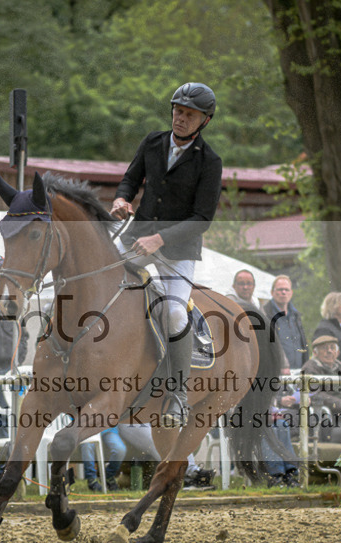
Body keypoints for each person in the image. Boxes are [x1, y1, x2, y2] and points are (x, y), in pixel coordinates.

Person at [111, 82, 223, 427]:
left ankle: (178, 393)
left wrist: (160, 239)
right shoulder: (153, 142)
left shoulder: (210, 162)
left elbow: (202, 219)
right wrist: (121, 199)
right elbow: (131, 179)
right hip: (137, 236)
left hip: (177, 250)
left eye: (189, 114)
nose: (181, 118)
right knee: (98, 277)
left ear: (204, 120)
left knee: (175, 314)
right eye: (177, 111)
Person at [302, 335, 341, 443]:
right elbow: (317, 395)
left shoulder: (339, 366)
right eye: (324, 348)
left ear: (337, 352)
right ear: (315, 353)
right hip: (331, 415)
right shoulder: (310, 368)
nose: (329, 351)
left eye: (332, 348)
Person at [0, 254, 29, 372]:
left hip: (10, 368)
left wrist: (19, 358)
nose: (2, 274)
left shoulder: (13, 299)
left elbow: (23, 334)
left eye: (5, 271)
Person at [263, 275, 308, 370]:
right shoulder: (265, 315)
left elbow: (303, 344)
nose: (283, 292)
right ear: (272, 292)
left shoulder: (296, 316)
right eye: (280, 290)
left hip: (298, 372)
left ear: (291, 293)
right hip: (277, 373)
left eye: (286, 290)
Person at [81, 426, 126, 492]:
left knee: (120, 450)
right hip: (88, 431)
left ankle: (109, 476)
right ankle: (91, 479)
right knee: (87, 446)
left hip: (108, 430)